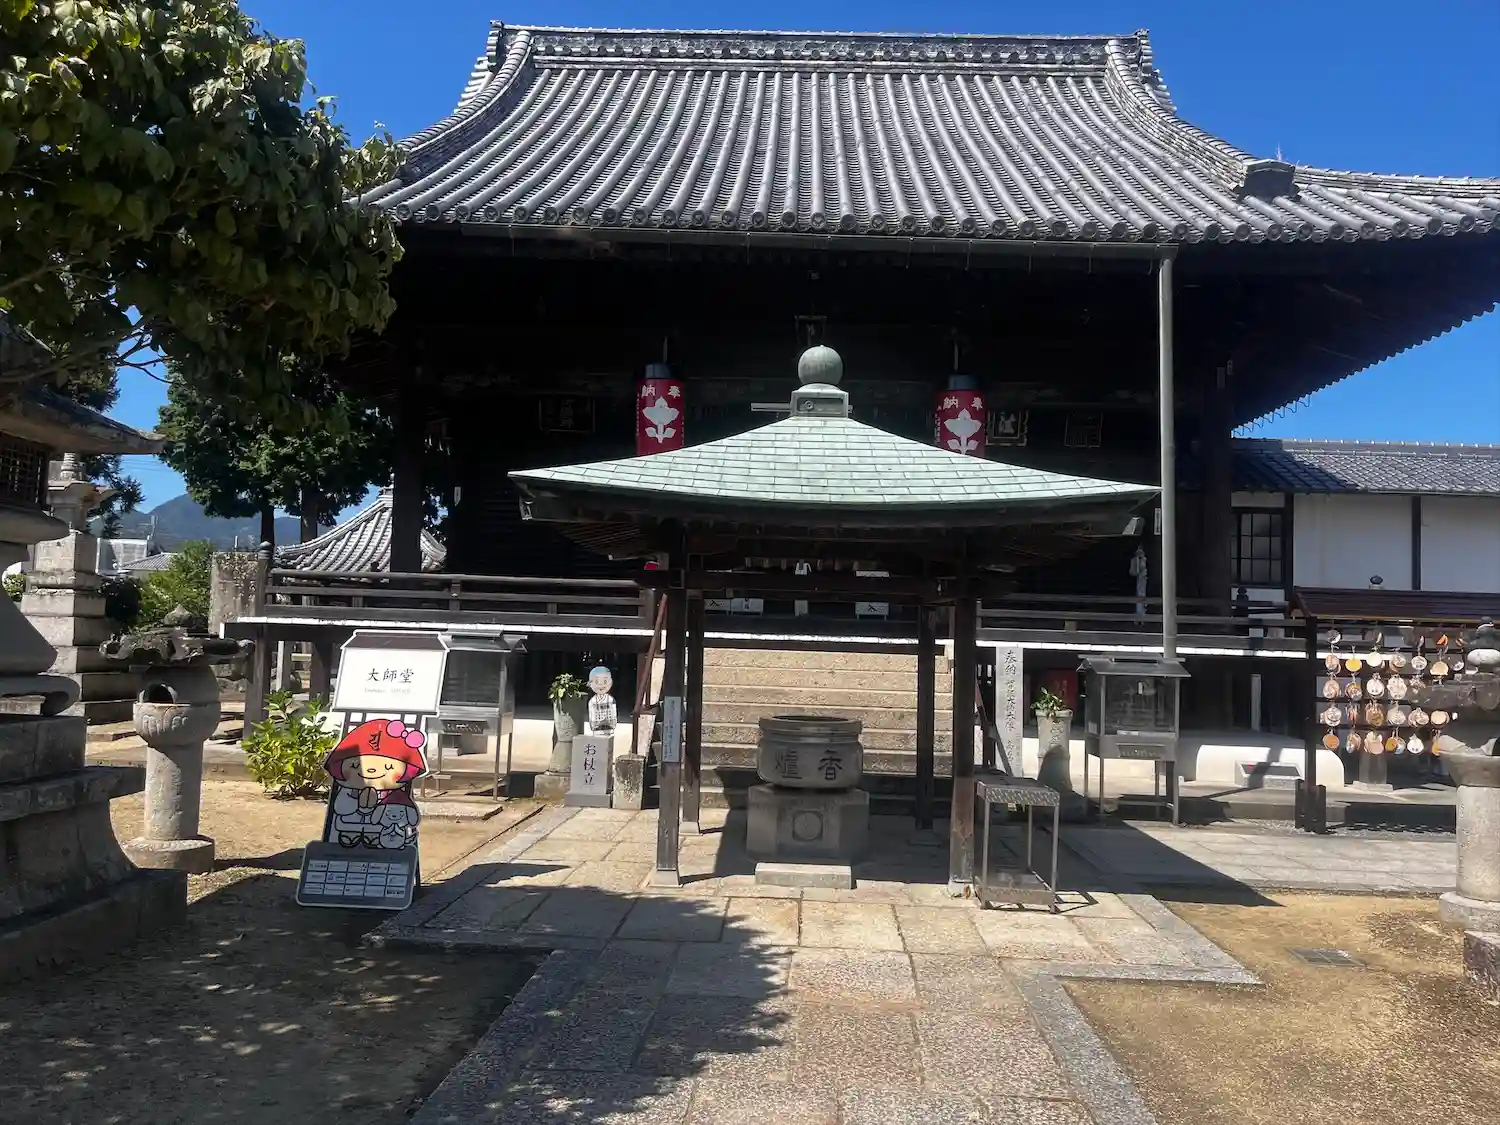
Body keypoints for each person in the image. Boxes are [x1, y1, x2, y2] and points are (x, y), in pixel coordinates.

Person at [323, 718, 428, 849]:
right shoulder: (349, 790)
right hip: (350, 820)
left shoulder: (393, 795)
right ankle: (350, 836)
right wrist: (355, 801)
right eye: (355, 765)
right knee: (347, 825)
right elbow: (340, 807)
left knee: (377, 832)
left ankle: (373, 839)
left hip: (379, 826)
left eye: (388, 767)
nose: (371, 770)